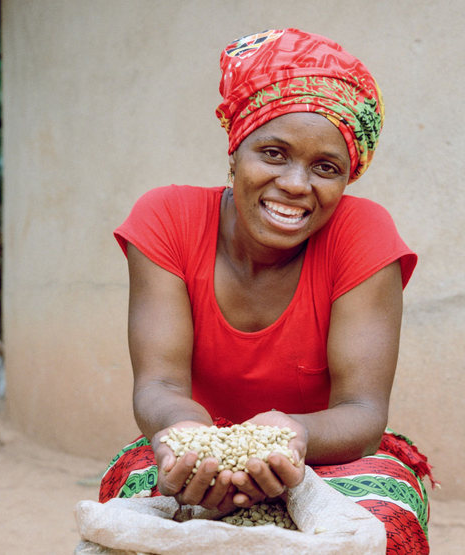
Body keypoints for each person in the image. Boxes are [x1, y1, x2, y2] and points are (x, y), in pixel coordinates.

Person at [99, 28, 434, 553]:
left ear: (348, 178)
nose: (297, 185)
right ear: (236, 149)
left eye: (326, 167)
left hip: (330, 455)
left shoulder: (362, 234)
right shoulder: (167, 219)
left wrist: (289, 436)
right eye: (274, 153)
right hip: (191, 451)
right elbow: (158, 385)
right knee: (131, 514)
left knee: (382, 521)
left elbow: (363, 411)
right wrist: (190, 442)